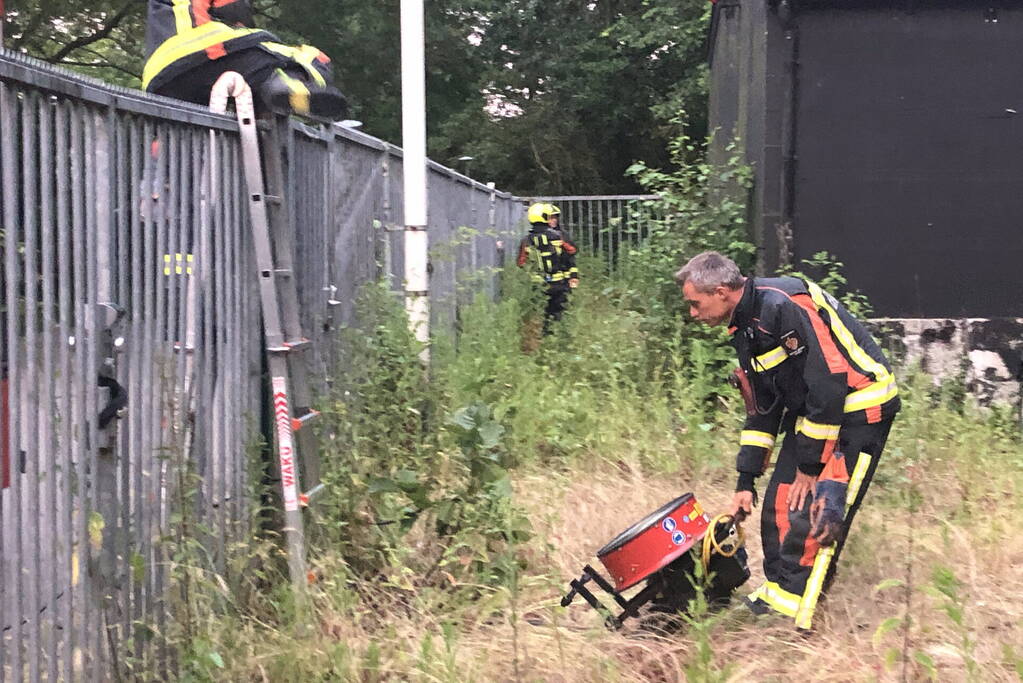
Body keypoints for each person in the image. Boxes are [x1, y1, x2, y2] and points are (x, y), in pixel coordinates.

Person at [675, 251, 899, 629]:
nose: (693, 313)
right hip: (817, 410)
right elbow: (763, 408)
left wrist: (810, 468)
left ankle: (801, 619)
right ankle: (780, 596)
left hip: (860, 409)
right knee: (779, 503)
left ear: (722, 291)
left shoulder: (784, 305)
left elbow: (828, 383)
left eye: (695, 304)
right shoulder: (746, 326)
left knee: (820, 512)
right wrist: (745, 482)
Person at [142, 0, 347, 119]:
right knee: (308, 55)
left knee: (183, 139)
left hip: (159, 76)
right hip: (201, 47)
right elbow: (232, 9)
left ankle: (162, 175)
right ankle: (288, 83)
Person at [517, 202, 579, 334]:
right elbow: (572, 250)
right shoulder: (557, 236)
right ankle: (556, 336)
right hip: (558, 283)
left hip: (537, 285)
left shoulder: (526, 240)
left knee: (540, 313)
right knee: (558, 312)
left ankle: (541, 336)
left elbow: (521, 263)